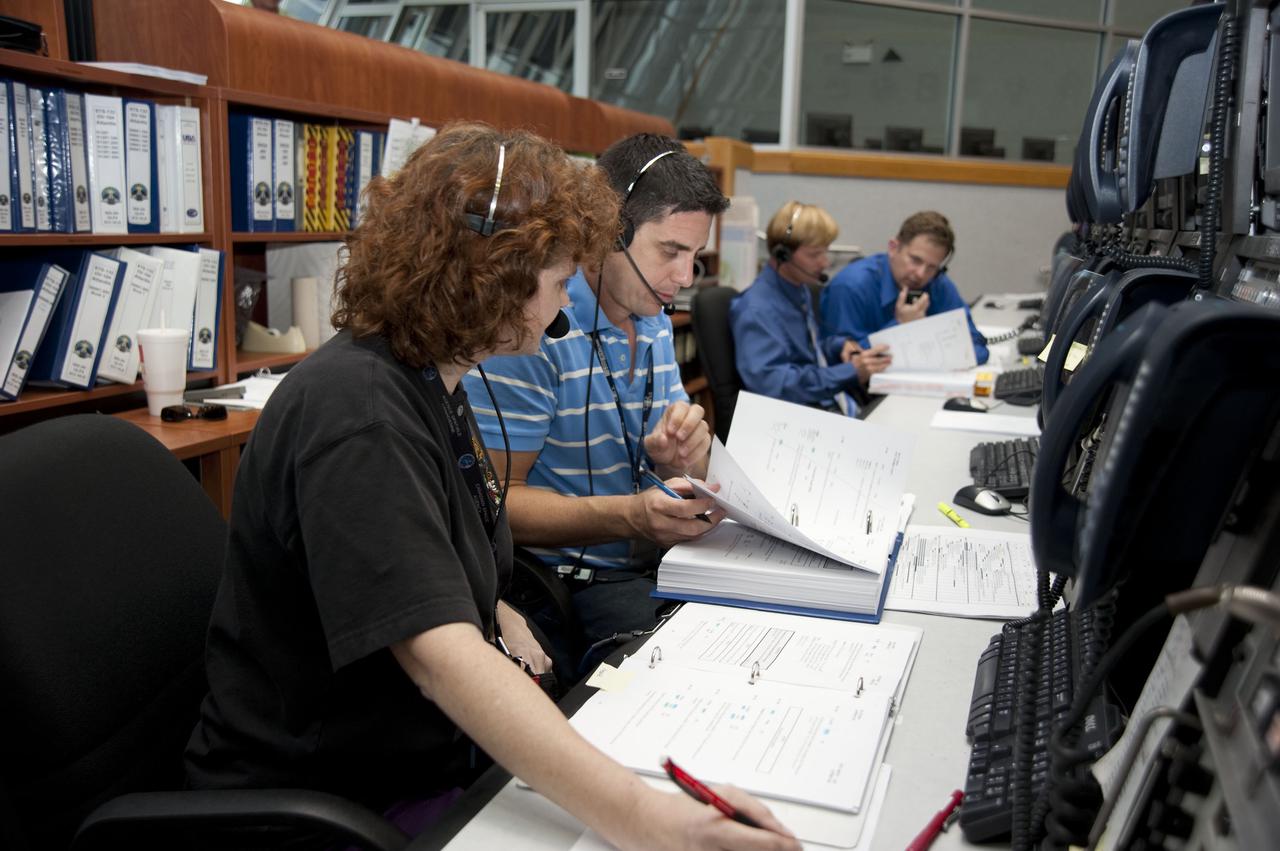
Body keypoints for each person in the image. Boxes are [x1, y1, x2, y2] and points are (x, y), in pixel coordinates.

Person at [184, 123, 798, 851]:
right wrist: (645, 818)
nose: (565, 312)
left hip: (418, 758)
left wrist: (491, 601)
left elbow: (423, 547)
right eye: (559, 283)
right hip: (329, 799)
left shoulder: (429, 378)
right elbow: (439, 656)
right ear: (494, 270)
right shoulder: (361, 413)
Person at [464, 134, 730, 673]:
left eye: (694, 255)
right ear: (611, 230)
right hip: (569, 584)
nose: (683, 278)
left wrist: (678, 457)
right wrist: (631, 517)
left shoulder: (651, 313)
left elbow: (689, 465)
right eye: (671, 251)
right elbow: (492, 508)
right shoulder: (535, 326)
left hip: (651, 562)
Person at [730, 201, 890, 415]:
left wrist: (839, 346)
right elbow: (773, 386)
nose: (824, 262)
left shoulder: (799, 289)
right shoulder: (757, 309)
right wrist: (849, 372)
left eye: (825, 252)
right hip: (796, 417)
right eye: (815, 255)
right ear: (782, 255)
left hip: (822, 405)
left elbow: (806, 353)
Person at [821, 210, 990, 365]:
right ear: (893, 248)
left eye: (931, 267)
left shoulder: (938, 284)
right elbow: (845, 361)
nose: (921, 274)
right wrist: (901, 325)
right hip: (864, 393)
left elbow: (976, 346)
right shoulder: (851, 286)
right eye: (915, 260)